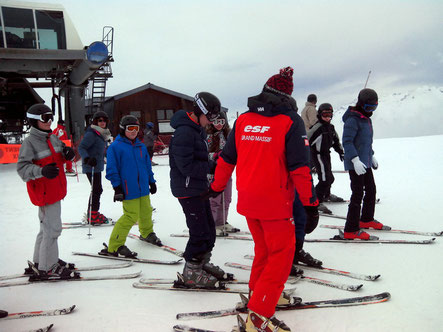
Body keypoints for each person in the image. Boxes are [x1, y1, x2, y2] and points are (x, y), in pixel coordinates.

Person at [206, 67, 319, 331]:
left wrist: (217, 186)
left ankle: (261, 296)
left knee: (265, 252)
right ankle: (258, 315)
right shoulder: (290, 121)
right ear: (287, 96)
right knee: (280, 257)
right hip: (276, 204)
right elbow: (300, 169)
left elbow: (226, 159)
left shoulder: (244, 120)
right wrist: (310, 203)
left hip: (250, 202)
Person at [169, 91, 230, 288]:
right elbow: (185, 166)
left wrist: (213, 161)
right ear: (200, 112)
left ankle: (201, 264)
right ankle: (191, 271)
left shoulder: (197, 130)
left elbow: (199, 159)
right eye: (210, 117)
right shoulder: (184, 132)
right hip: (187, 189)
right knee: (199, 231)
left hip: (198, 187)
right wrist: (211, 167)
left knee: (209, 230)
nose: (211, 122)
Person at [17, 103, 77, 279]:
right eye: (45, 118)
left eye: (51, 117)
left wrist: (68, 153)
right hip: (44, 192)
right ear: (34, 121)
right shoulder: (29, 143)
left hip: (55, 189)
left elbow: (59, 155)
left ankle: (40, 261)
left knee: (45, 229)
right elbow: (22, 169)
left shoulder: (51, 138)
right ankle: (48, 266)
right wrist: (41, 171)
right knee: (53, 229)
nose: (50, 121)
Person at [100, 115, 161, 258]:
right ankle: (115, 245)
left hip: (143, 187)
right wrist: (117, 188)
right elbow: (112, 170)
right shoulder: (115, 147)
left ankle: (147, 233)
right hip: (128, 188)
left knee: (146, 211)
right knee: (130, 216)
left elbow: (147, 166)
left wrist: (151, 181)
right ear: (123, 129)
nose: (134, 131)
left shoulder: (140, 146)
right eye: (130, 128)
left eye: (136, 128)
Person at [342, 88, 383, 240]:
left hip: (364, 162)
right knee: (357, 194)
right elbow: (347, 142)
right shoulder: (353, 120)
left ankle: (366, 219)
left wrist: (371, 156)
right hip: (355, 164)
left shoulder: (366, 119)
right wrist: (354, 159)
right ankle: (351, 229)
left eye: (374, 108)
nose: (371, 111)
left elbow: (366, 142)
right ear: (361, 104)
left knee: (371, 190)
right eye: (368, 108)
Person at [206, 111, 238, 236]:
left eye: (221, 122)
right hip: (213, 172)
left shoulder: (228, 135)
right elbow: (203, 154)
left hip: (226, 172)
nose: (218, 124)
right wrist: (215, 155)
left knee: (227, 198)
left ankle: (221, 221)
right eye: (216, 122)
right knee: (215, 200)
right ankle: (211, 224)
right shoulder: (208, 136)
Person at [78, 111, 112, 225]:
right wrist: (87, 158)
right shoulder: (92, 133)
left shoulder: (102, 134)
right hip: (90, 166)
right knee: (97, 189)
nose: (102, 122)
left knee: (97, 189)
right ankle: (92, 214)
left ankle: (92, 213)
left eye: (104, 120)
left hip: (97, 166)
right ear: (96, 122)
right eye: (100, 120)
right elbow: (81, 147)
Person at [307, 103, 345, 203]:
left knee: (330, 178)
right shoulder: (317, 128)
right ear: (320, 115)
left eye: (329, 115)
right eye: (325, 115)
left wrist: (341, 152)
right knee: (324, 180)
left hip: (326, 155)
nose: (328, 117)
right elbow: (305, 141)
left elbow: (336, 141)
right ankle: (315, 201)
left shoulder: (330, 128)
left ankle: (326, 195)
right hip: (317, 155)